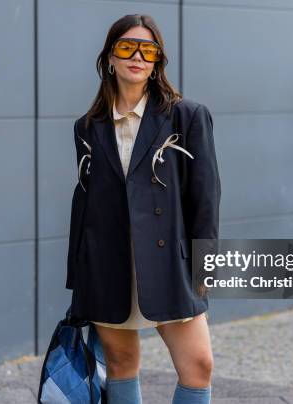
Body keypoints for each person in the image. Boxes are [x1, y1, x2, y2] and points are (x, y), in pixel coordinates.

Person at [66, 14, 221, 404]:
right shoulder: (87, 127)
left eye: (148, 50)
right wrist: (78, 276)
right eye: (127, 47)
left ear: (156, 63)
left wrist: (205, 264)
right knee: (120, 363)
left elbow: (205, 196)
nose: (138, 55)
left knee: (199, 365)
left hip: (169, 262)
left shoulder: (186, 116)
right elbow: (83, 203)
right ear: (110, 59)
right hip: (107, 264)